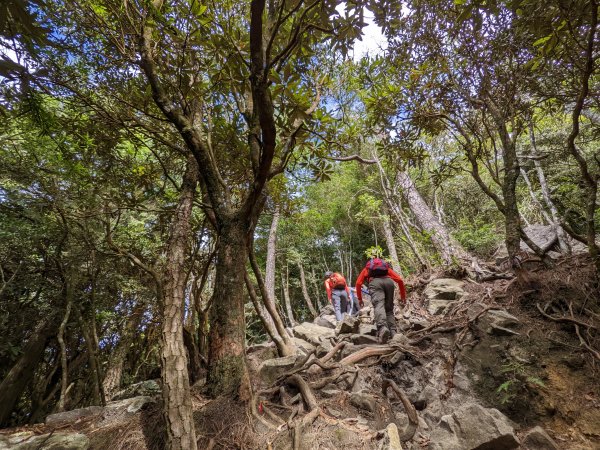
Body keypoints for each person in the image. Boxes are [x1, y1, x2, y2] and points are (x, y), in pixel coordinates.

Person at [355, 258, 406, 344]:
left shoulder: (367, 269)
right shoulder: (385, 268)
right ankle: (393, 332)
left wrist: (360, 299)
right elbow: (400, 280)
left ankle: (382, 328)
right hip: (389, 283)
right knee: (389, 309)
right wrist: (403, 296)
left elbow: (358, 283)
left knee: (379, 306)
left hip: (375, 283)